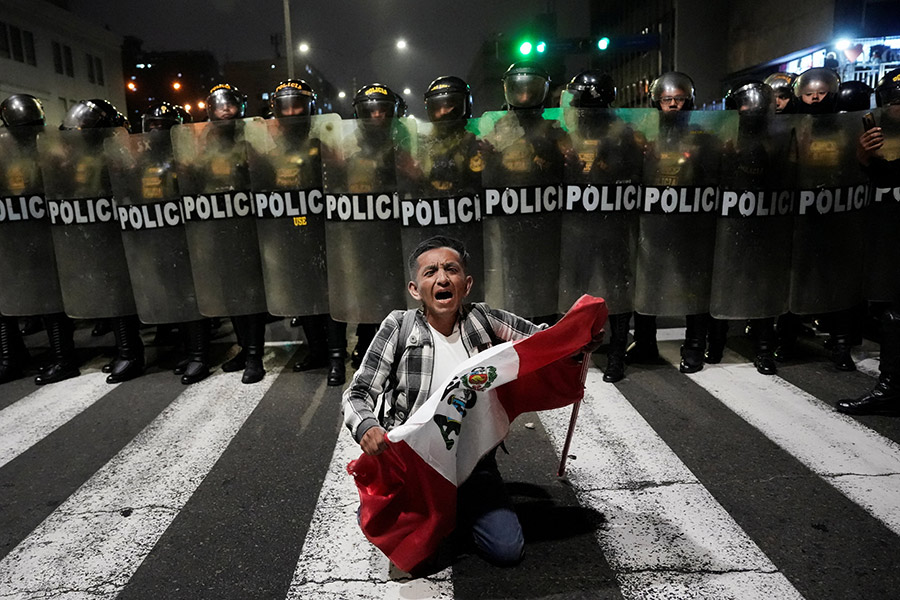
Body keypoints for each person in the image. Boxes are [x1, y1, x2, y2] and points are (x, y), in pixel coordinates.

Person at [343, 235, 599, 566]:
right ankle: (430, 508)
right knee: (413, 555)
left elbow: (542, 343)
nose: (442, 278)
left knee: (507, 552)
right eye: (430, 272)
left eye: (451, 269)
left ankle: (455, 507)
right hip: (416, 464)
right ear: (414, 289)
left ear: (466, 284)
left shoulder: (485, 319)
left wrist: (576, 342)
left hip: (474, 462)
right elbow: (359, 392)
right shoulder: (399, 326)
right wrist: (366, 426)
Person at [630, 72, 727, 374]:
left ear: (689, 101)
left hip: (691, 223)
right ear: (656, 102)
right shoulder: (645, 137)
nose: (673, 105)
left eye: (679, 99)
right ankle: (646, 343)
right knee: (647, 282)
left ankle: (695, 346)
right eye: (666, 100)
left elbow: (715, 177)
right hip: (654, 222)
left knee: (691, 285)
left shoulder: (703, 136)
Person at [560, 70, 644, 383]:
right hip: (580, 225)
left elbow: (635, 173)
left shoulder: (623, 134)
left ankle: (616, 356)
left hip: (612, 225)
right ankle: (573, 349)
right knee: (577, 290)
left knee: (617, 290)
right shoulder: (570, 134)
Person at [59, 99, 144, 384]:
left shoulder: (118, 157)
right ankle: (122, 351)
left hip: (117, 232)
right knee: (109, 290)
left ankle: (131, 354)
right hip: (96, 230)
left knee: (120, 293)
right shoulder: (81, 159)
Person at [0, 94, 80, 385]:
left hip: (46, 236)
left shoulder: (53, 149)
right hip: (12, 238)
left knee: (51, 300)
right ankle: (11, 357)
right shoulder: (2, 151)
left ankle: (63, 358)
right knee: (5, 299)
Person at [837, 67, 900, 415]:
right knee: (891, 312)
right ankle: (891, 387)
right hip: (889, 231)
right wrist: (864, 157)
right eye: (893, 101)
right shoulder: (879, 137)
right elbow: (877, 181)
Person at [139, 102, 212, 385]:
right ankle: (186, 350)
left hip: (188, 239)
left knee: (192, 298)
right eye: (152, 126)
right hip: (160, 239)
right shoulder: (146, 162)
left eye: (162, 126)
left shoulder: (189, 159)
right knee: (175, 295)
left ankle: (199, 356)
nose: (156, 132)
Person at [200, 84, 268, 384]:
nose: (225, 111)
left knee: (250, 294)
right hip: (219, 228)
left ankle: (255, 356)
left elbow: (265, 174)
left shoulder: (249, 141)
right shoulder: (205, 146)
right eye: (219, 107)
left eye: (229, 106)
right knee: (231, 294)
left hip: (247, 229)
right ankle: (243, 349)